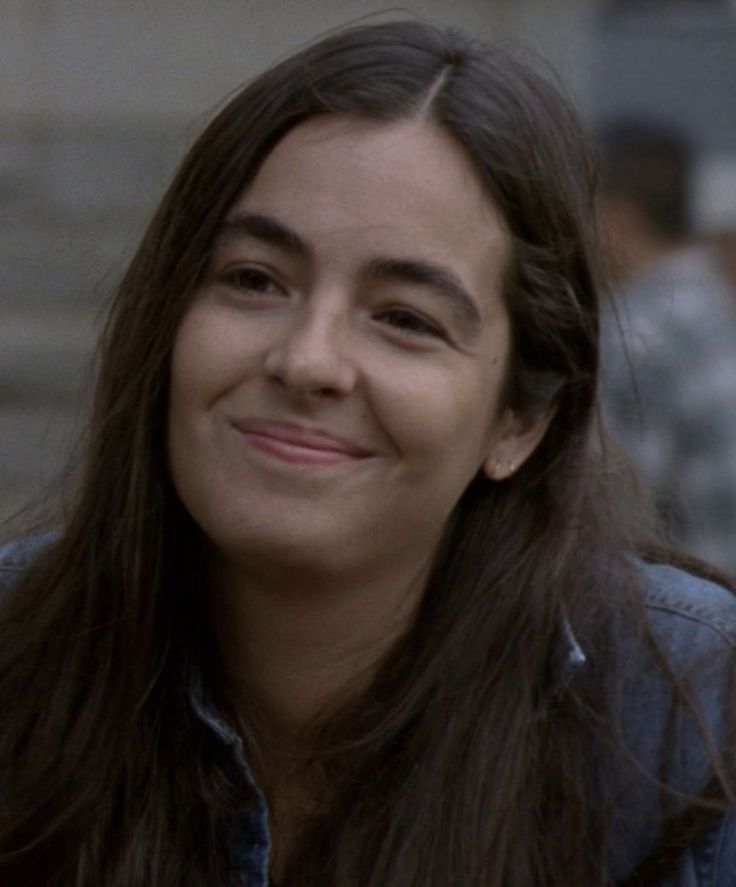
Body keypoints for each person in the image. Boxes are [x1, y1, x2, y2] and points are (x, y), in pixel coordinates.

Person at [1, 21, 736, 887]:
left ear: (521, 421)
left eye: (405, 319)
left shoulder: (691, 725)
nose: (306, 359)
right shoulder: (21, 655)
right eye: (254, 279)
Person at [598, 119, 736, 576]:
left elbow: (616, 511)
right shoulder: (712, 301)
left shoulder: (639, 330)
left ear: (616, 219)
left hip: (698, 609)